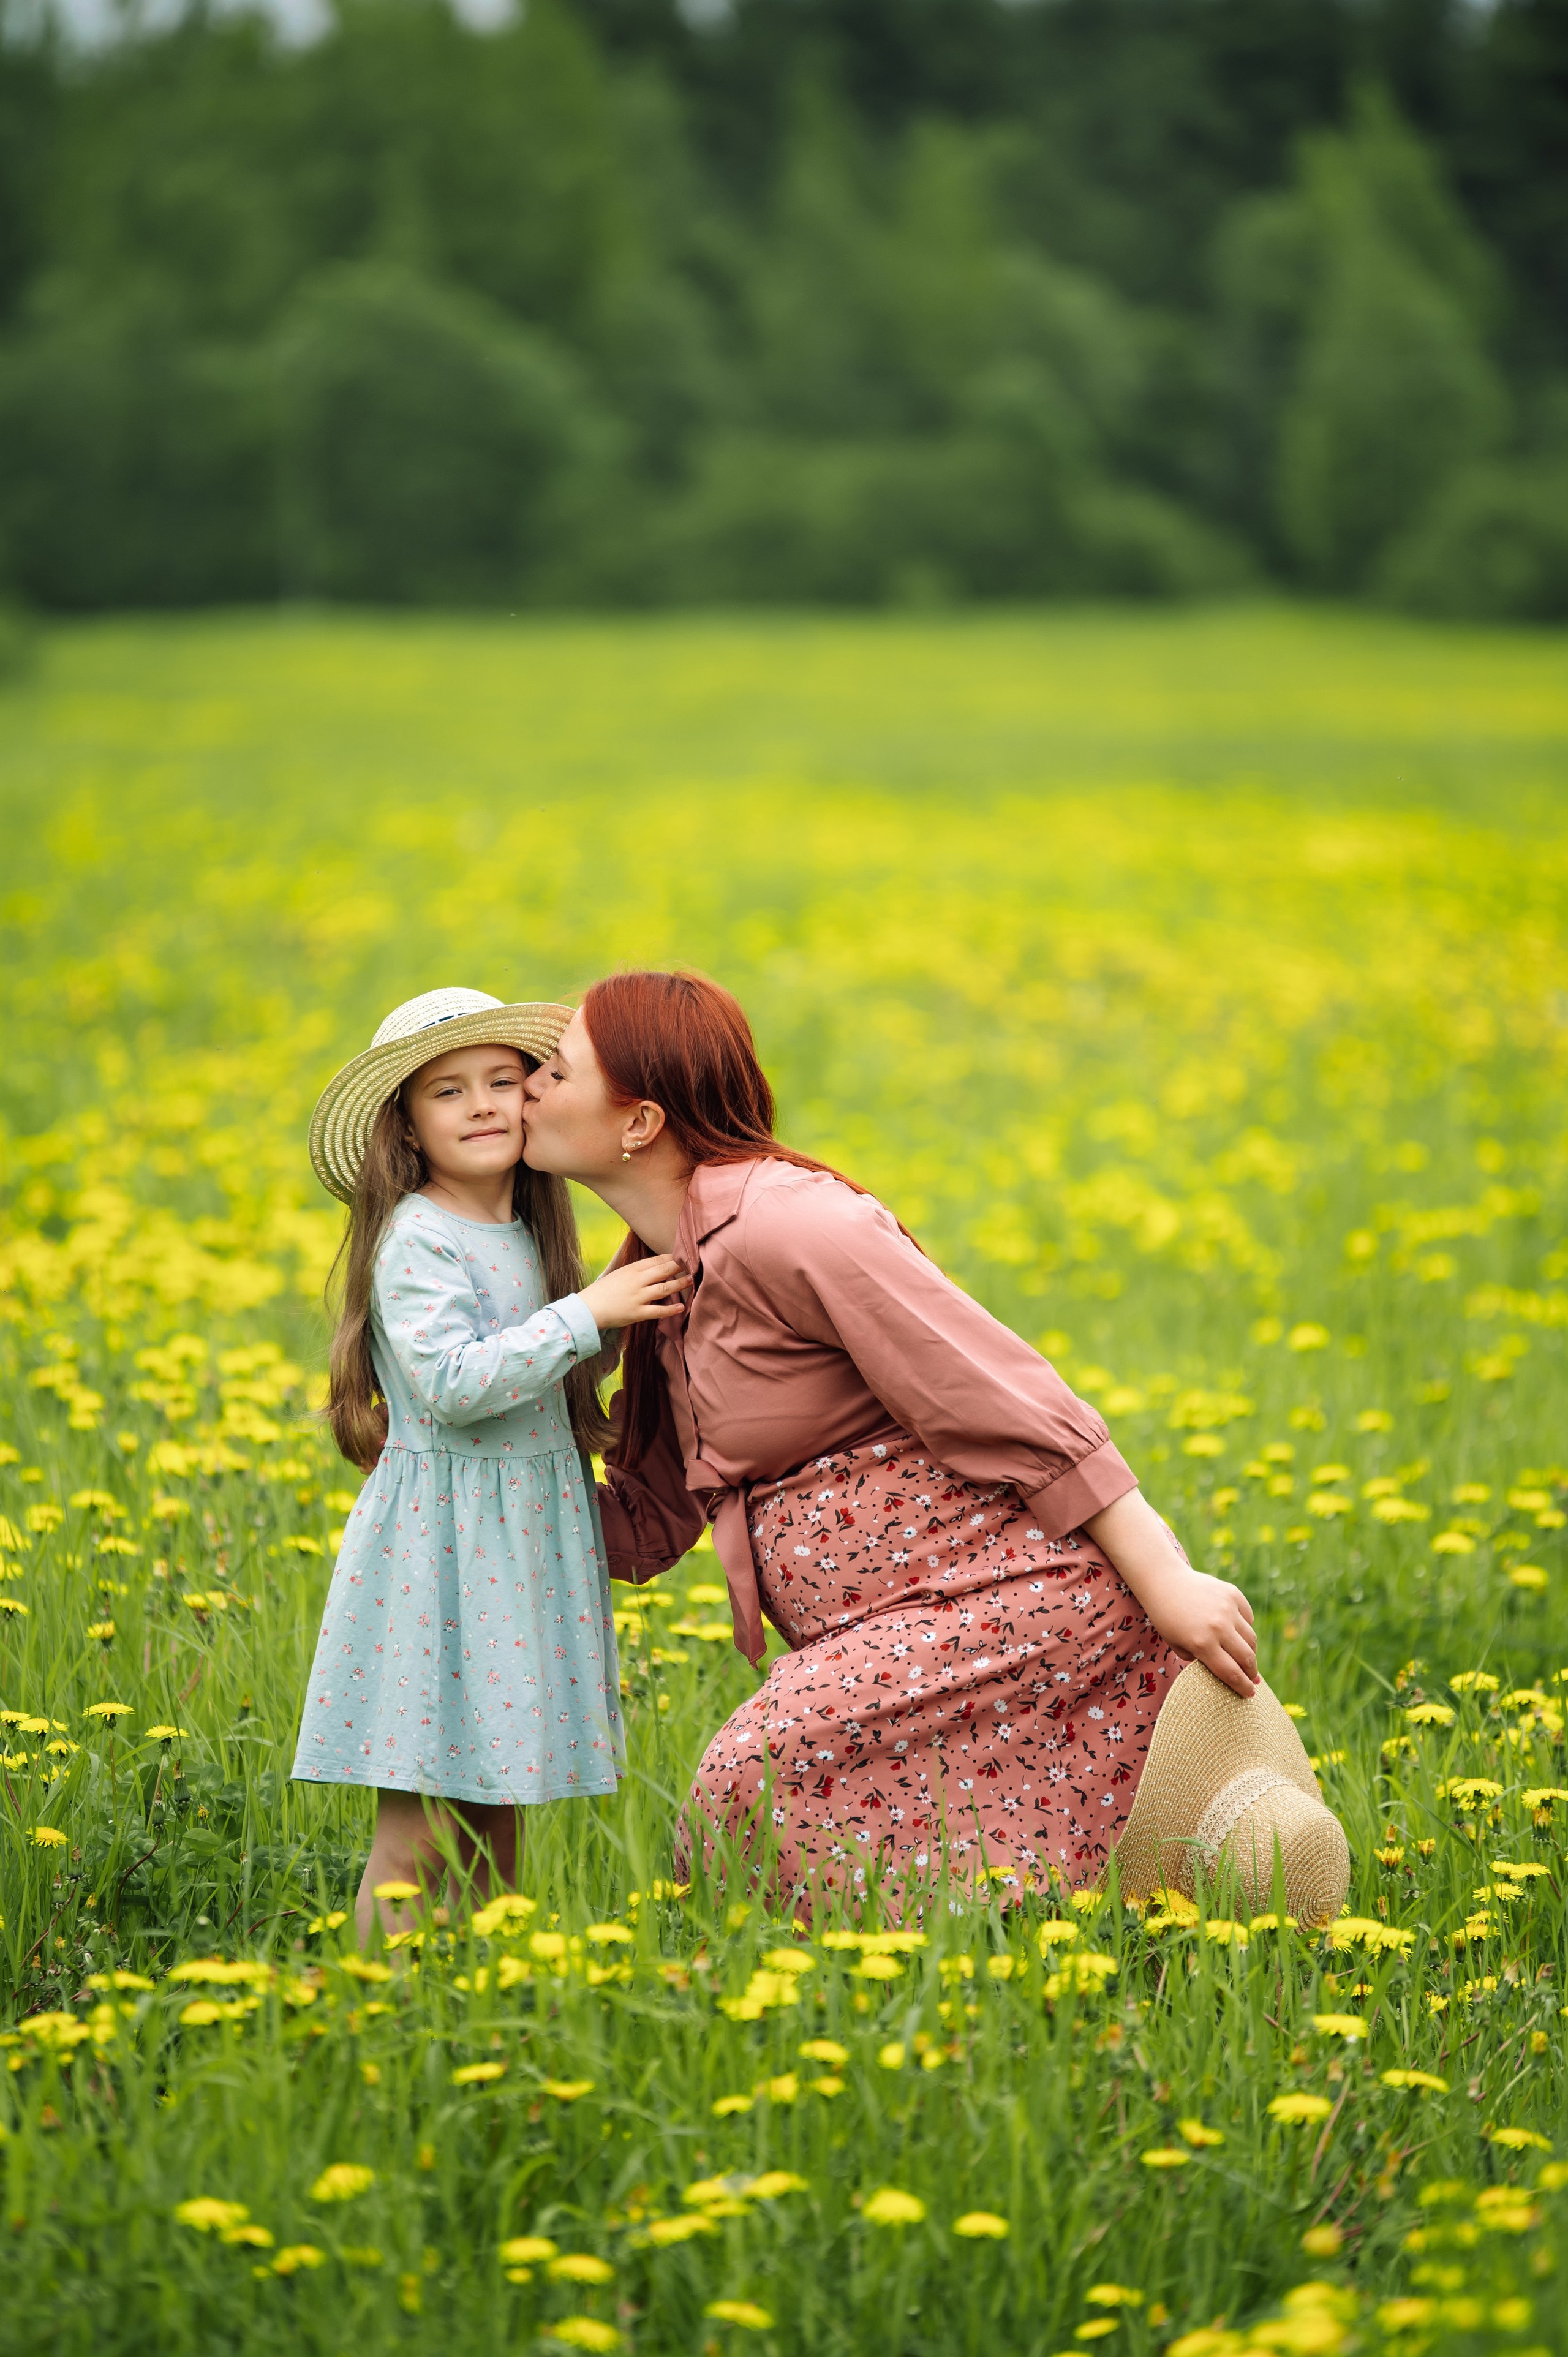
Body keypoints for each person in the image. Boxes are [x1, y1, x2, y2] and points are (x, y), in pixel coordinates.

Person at [521, 970, 1349, 1921]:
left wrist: (1167, 1580)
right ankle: (993, 1962)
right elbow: (648, 1524)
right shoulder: (656, 1276)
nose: (528, 1087)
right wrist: (451, 1475)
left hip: (1011, 1602)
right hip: (908, 1631)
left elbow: (1013, 1397)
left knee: (751, 1782)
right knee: (790, 1812)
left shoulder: (791, 1223)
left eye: (557, 1070)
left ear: (639, 1121)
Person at [294, 986, 688, 1945]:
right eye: (448, 1091)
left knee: (495, 1822)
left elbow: (548, 1368)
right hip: (441, 1556)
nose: (481, 1106)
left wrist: (618, 1313)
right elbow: (452, 1384)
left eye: (502, 1082)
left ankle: (478, 1995)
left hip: (518, 1551)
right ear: (406, 1128)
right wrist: (588, 1314)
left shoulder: (529, 1234)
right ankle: (370, 2004)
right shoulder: (417, 1235)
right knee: (417, 1835)